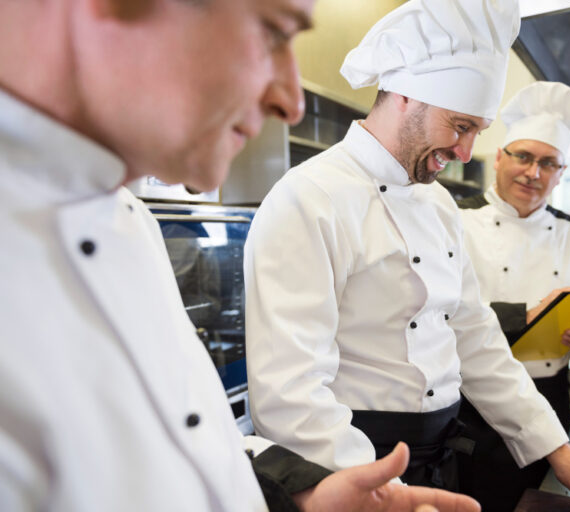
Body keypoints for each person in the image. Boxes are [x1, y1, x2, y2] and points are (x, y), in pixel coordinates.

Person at [0, 1, 483, 511]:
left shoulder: (129, 220)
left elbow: (190, 449)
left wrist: (299, 499)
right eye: (272, 34)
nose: (292, 102)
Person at [244, 2, 570, 511]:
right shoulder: (309, 198)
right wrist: (383, 494)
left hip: (443, 462)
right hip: (354, 465)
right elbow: (290, 393)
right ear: (407, 95)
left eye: (478, 130)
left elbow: (475, 338)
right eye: (461, 125)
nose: (468, 151)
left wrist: (555, 446)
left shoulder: (438, 203)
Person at [456, 81, 570, 510]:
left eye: (549, 163)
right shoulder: (453, 224)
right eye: (523, 156)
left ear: (561, 174)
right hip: (470, 411)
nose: (533, 172)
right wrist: (529, 315)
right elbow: (439, 321)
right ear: (498, 158)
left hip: (552, 403)